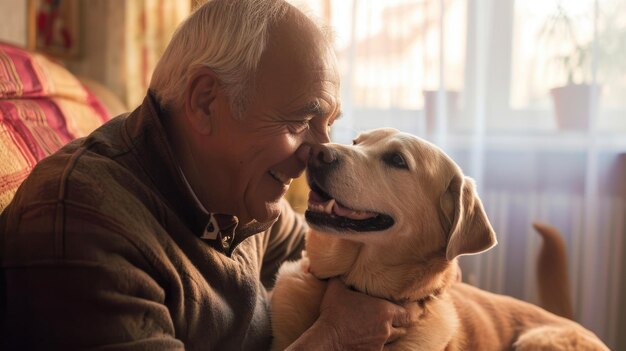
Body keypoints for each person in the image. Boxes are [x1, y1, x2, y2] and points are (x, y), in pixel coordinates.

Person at [0, 0, 411, 349]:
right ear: (205, 102)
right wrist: (332, 338)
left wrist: (425, 267)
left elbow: (316, 254)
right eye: (301, 119)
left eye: (328, 123)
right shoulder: (85, 228)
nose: (316, 155)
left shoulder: (235, 186)